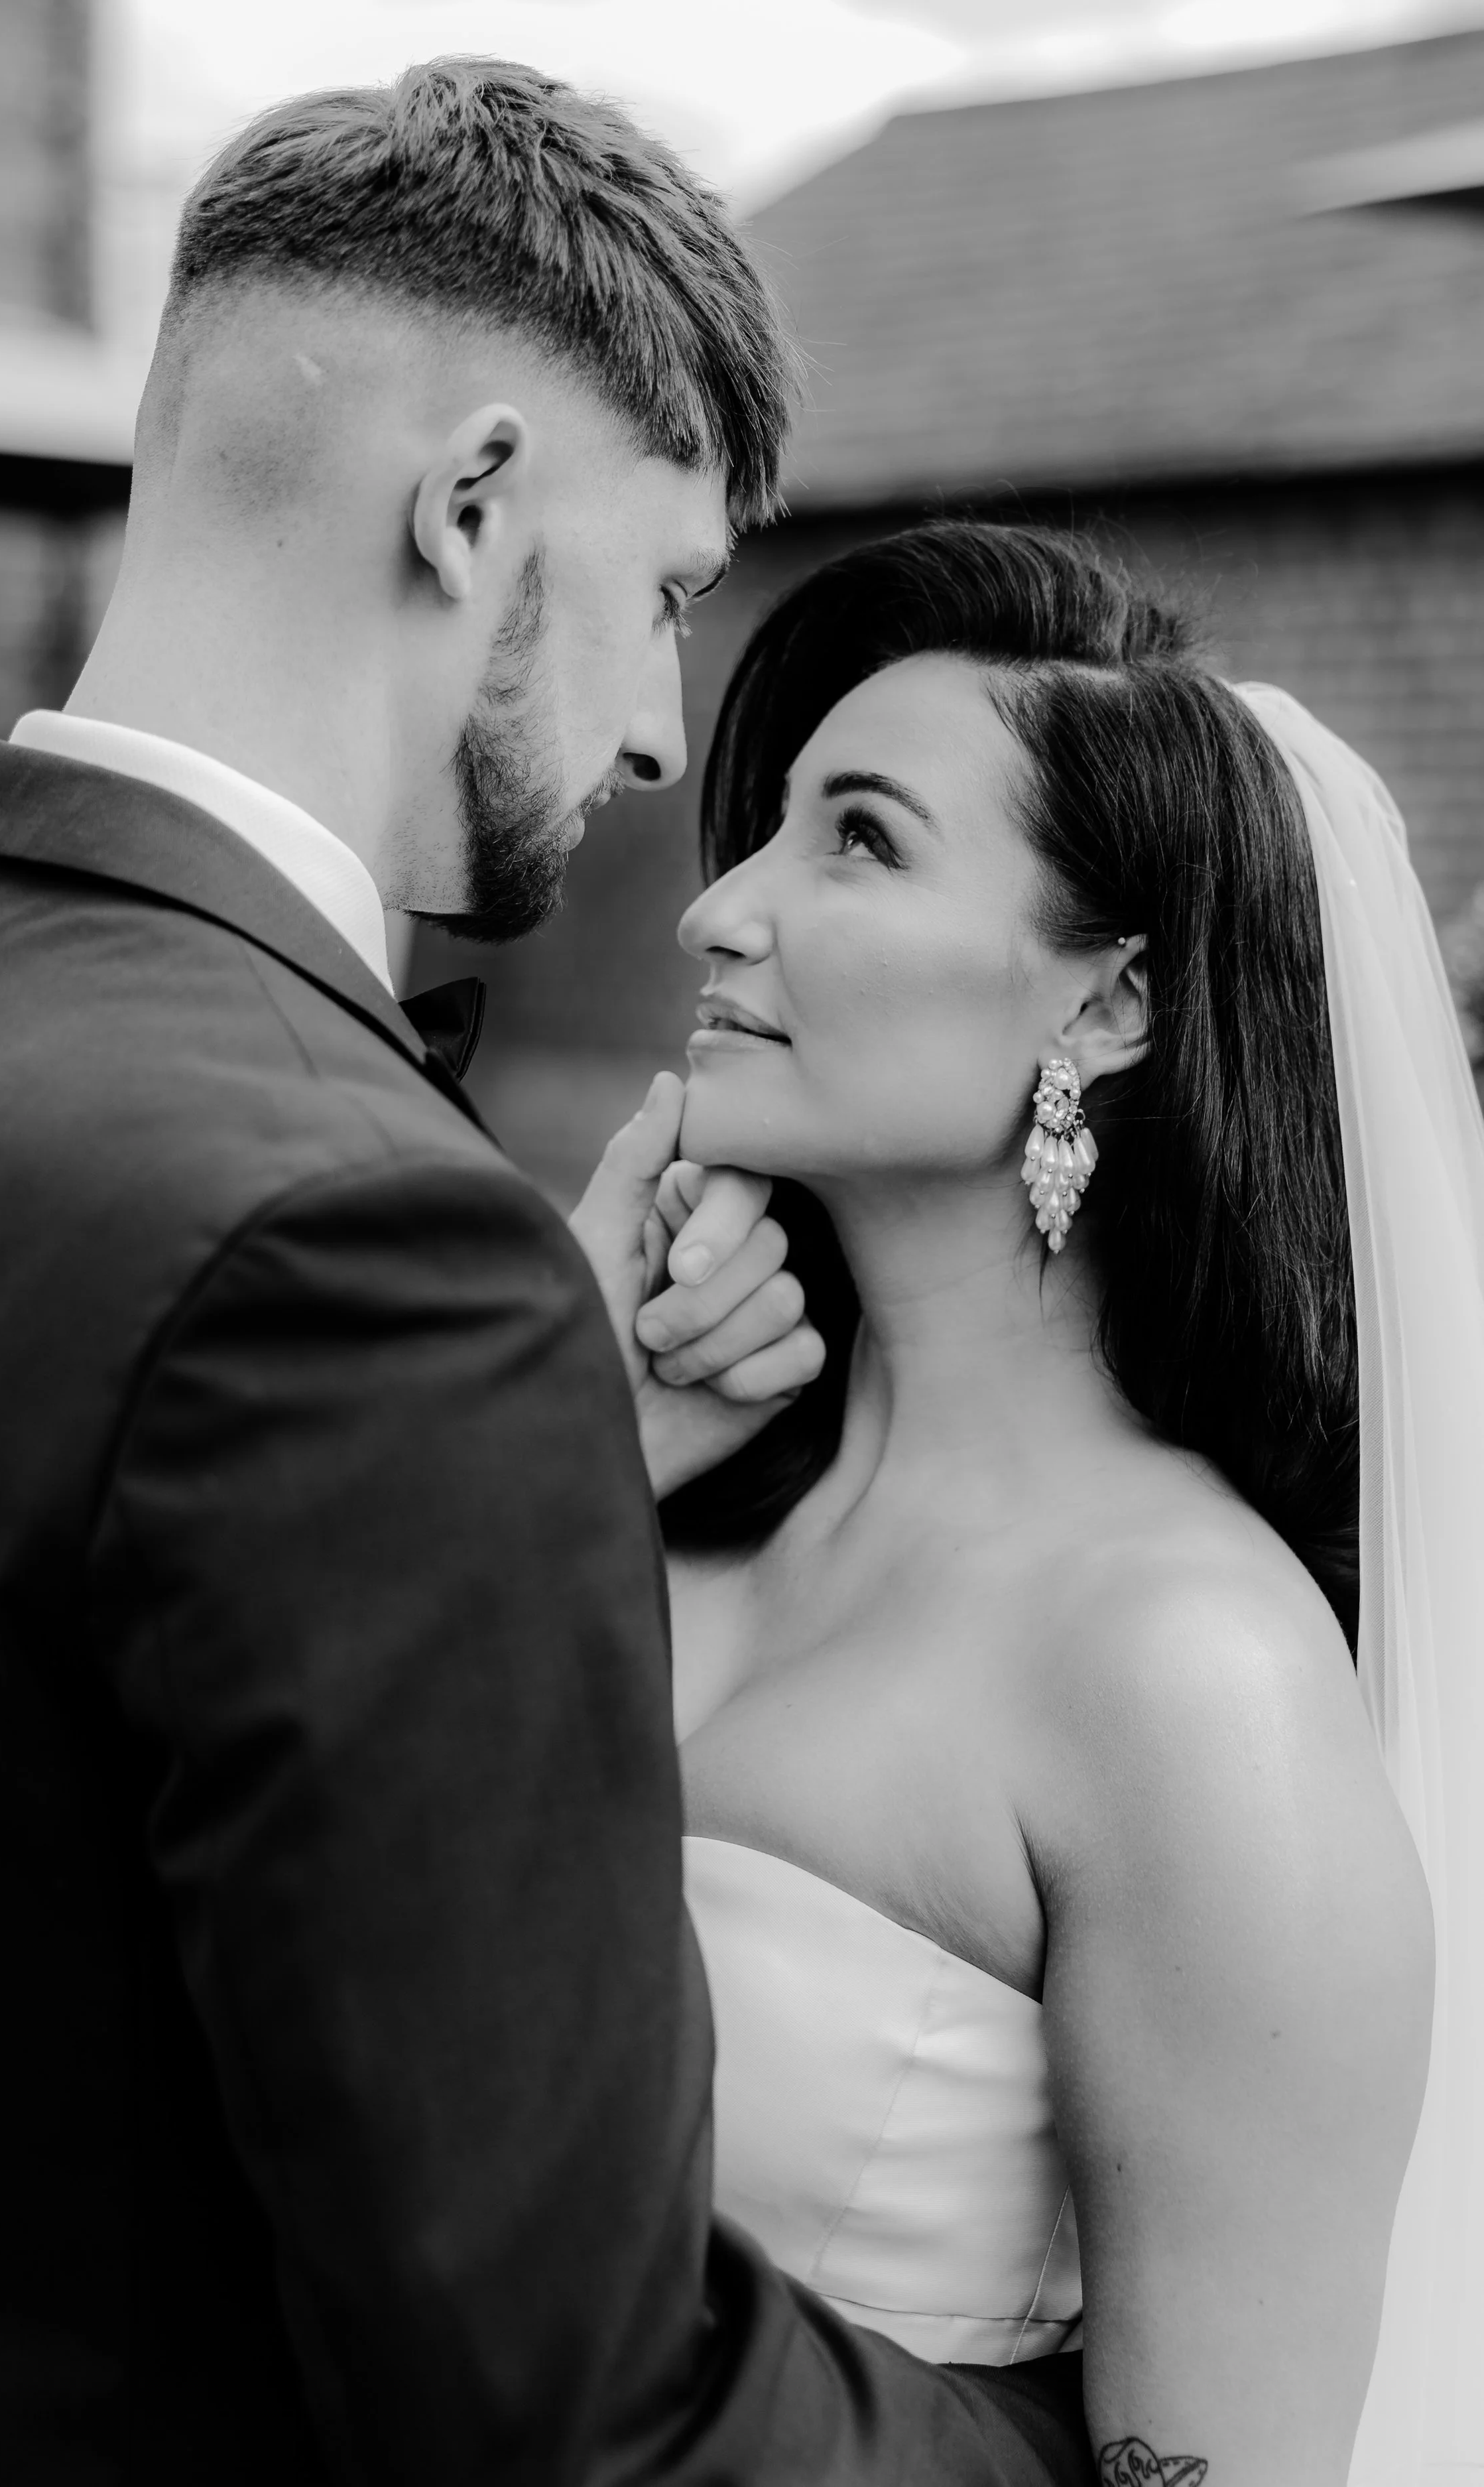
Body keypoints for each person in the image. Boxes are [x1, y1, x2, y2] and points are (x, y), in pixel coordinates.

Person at [0, 70, 1097, 2487]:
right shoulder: (370, 1258)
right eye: (668, 598)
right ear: (475, 499)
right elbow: (565, 2405)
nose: (652, 736)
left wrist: (551, 1458)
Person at [622, 520, 1484, 2486]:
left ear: (1104, 1007)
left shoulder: (1187, 1674)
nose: (717, 910)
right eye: (764, 827)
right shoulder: (650, 1480)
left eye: (855, 838)